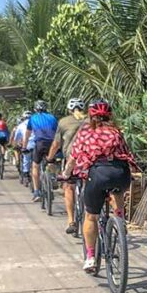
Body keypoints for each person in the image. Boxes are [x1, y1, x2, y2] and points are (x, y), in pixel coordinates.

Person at [63, 99, 138, 273]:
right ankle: (119, 218)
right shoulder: (116, 131)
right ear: (110, 115)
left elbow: (74, 157)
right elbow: (127, 153)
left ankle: (90, 258)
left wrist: (66, 174)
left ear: (91, 115)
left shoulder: (86, 131)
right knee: (117, 189)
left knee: (91, 217)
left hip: (98, 175)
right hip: (120, 174)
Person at [48, 97, 87, 233]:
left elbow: (56, 144)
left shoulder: (63, 122)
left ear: (69, 110)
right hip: (90, 159)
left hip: (72, 159)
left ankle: (71, 221)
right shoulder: (91, 120)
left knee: (69, 188)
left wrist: (50, 158)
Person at [26, 100, 58, 202]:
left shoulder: (32, 118)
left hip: (39, 143)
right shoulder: (52, 117)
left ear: (35, 109)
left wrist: (24, 146)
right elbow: (57, 131)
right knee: (51, 160)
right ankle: (52, 177)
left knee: (35, 165)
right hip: (52, 143)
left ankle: (36, 192)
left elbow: (27, 134)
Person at [11, 110, 32, 182]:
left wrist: (14, 143)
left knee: (26, 157)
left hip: (26, 145)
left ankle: (26, 173)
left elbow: (15, 137)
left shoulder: (20, 126)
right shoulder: (36, 123)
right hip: (37, 144)